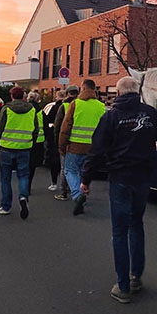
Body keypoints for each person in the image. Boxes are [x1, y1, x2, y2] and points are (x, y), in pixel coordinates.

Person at [81, 77, 157, 304]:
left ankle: (123, 287)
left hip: (120, 179)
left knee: (119, 231)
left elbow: (96, 151)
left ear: (117, 93)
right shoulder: (150, 115)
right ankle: (136, 276)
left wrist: (86, 179)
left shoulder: (111, 117)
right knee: (137, 224)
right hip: (143, 178)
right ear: (138, 91)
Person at [59, 79, 105, 215]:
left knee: (70, 170)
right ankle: (83, 193)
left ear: (83, 89)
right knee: (85, 172)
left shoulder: (75, 104)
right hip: (93, 147)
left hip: (75, 146)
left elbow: (65, 127)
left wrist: (62, 146)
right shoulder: (101, 106)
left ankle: (77, 194)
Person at [0, 87, 38, 219]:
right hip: (24, 147)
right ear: (23, 96)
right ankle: (23, 197)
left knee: (5, 178)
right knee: (23, 175)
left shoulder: (6, 109)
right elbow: (36, 129)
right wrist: (31, 142)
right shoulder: (31, 109)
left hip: (7, 148)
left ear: (12, 96)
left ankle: (6, 206)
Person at [53, 86, 78, 201]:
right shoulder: (81, 105)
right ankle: (76, 189)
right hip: (82, 142)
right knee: (77, 169)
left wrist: (57, 142)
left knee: (65, 167)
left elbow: (58, 126)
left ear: (68, 93)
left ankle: (63, 191)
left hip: (67, 141)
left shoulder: (64, 106)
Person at [44, 90, 65, 191]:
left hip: (54, 136)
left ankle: (54, 183)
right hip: (68, 136)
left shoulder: (54, 107)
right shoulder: (70, 106)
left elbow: (47, 120)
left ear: (57, 97)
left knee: (54, 160)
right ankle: (66, 185)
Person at [27, 91, 45, 195]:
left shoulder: (28, 109)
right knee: (32, 165)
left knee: (25, 163)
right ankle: (29, 184)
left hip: (28, 138)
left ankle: (25, 185)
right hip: (39, 140)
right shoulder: (41, 110)